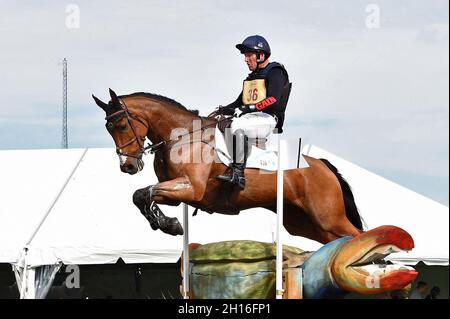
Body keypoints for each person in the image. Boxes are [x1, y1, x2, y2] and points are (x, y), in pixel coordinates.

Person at [215, 35, 292, 189]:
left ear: (261, 56)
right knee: (222, 123)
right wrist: (221, 109)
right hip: (251, 118)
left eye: (249, 55)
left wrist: (248, 108)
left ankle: (238, 174)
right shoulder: (252, 78)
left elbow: (273, 99)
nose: (246, 59)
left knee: (237, 126)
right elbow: (238, 104)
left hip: (268, 119)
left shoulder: (275, 72)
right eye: (245, 56)